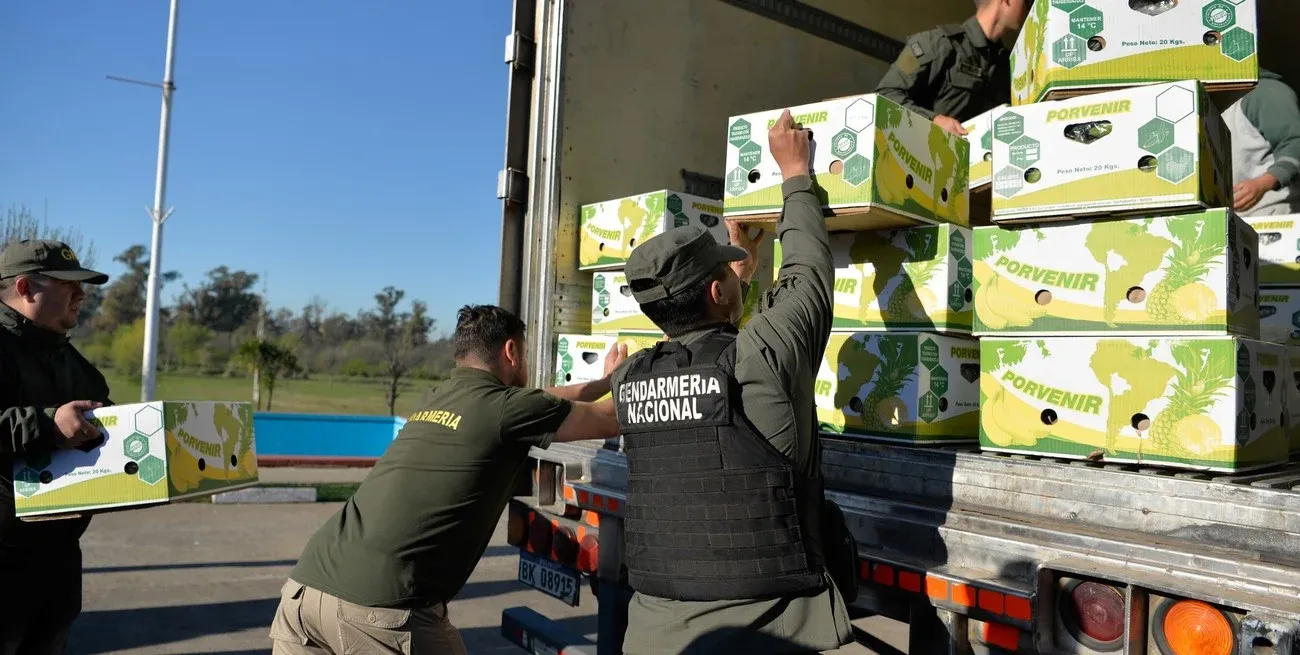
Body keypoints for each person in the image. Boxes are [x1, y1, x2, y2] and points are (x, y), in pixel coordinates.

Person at [613, 110, 856, 655]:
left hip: (651, 636)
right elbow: (807, 276)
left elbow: (707, 358)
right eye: (725, 272)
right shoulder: (762, 361)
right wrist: (796, 174)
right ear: (717, 293)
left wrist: (732, 278)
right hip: (762, 635)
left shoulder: (630, 378)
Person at [268, 304, 627, 655]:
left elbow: (542, 399)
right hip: (381, 607)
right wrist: (634, 374)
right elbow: (608, 419)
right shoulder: (508, 409)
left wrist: (600, 382)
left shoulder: (436, 397)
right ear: (511, 350)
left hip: (305, 592)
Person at [0, 239, 113, 655]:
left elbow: (107, 420)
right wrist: (47, 425)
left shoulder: (70, 359)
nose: (82, 294)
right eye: (69, 285)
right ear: (26, 287)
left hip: (57, 559)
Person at [874, 0, 1032, 136]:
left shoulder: (1011, 65)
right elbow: (884, 96)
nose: (1030, 7)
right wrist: (933, 121)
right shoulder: (935, 43)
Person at [1221, 68, 1300, 216]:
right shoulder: (1207, 104)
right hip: (1234, 221)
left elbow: (1294, 143)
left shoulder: (1266, 93)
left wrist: (1263, 183)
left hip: (1275, 213)